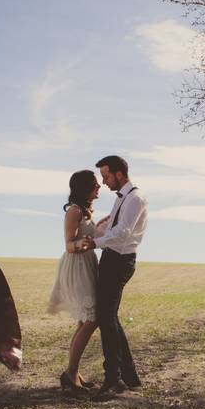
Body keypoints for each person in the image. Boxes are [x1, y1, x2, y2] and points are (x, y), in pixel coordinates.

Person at [83, 155, 148, 396]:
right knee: (109, 317)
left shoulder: (135, 198)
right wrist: (101, 231)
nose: (104, 181)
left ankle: (114, 379)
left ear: (120, 174)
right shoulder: (124, 198)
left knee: (106, 317)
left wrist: (95, 243)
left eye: (107, 176)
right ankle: (128, 375)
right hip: (112, 259)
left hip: (120, 261)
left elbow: (123, 232)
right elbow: (115, 227)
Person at [46, 170, 102, 394]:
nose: (99, 187)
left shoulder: (85, 211)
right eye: (95, 184)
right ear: (85, 187)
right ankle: (70, 373)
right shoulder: (74, 211)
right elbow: (69, 245)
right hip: (77, 267)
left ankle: (73, 373)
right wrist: (86, 244)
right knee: (91, 319)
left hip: (86, 265)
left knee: (83, 321)